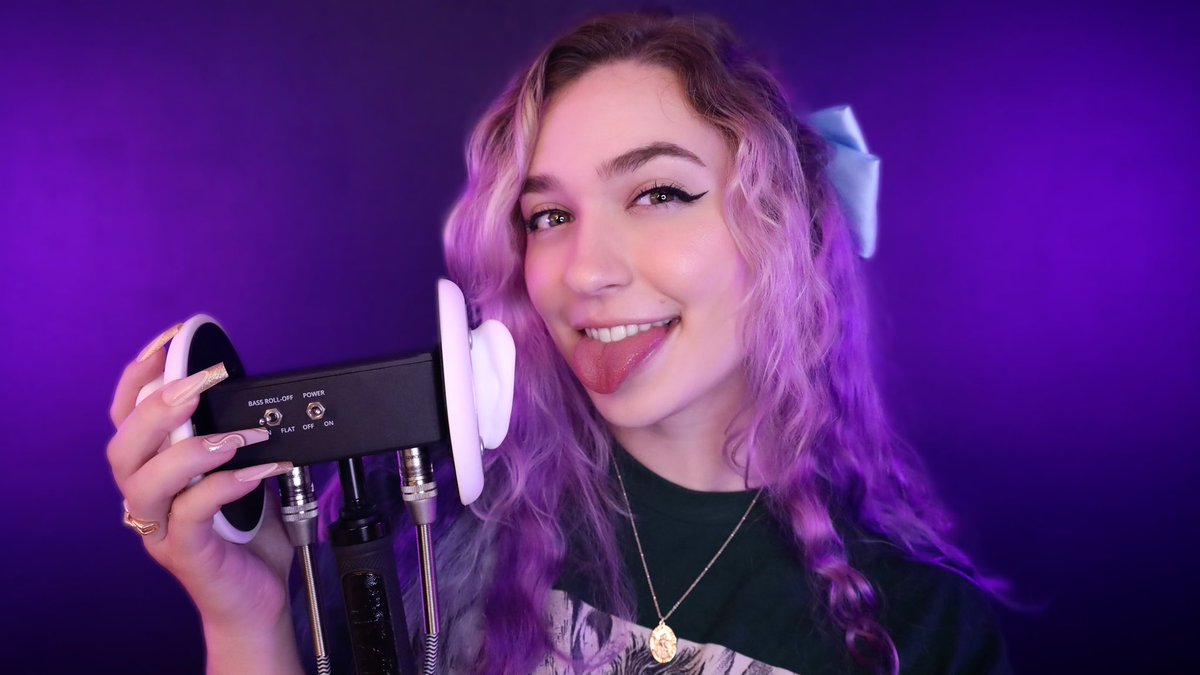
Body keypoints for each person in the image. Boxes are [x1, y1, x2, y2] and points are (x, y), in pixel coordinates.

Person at [107, 12, 1010, 675]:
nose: (585, 271)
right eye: (548, 215)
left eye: (658, 193)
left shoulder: (921, 632)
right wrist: (246, 615)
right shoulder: (415, 530)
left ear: (789, 228)